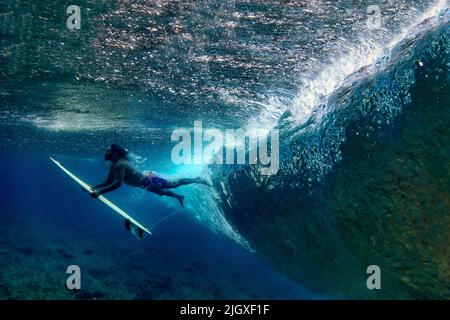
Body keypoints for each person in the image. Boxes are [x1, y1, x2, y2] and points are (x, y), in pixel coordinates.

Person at [89, 144, 210, 208]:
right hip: (144, 184)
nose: (105, 152)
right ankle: (179, 197)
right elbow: (108, 181)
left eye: (107, 151)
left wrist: (100, 192)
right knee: (163, 192)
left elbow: (118, 183)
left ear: (115, 153)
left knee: (174, 183)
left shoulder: (120, 165)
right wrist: (95, 186)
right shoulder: (113, 165)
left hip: (150, 181)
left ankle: (197, 179)